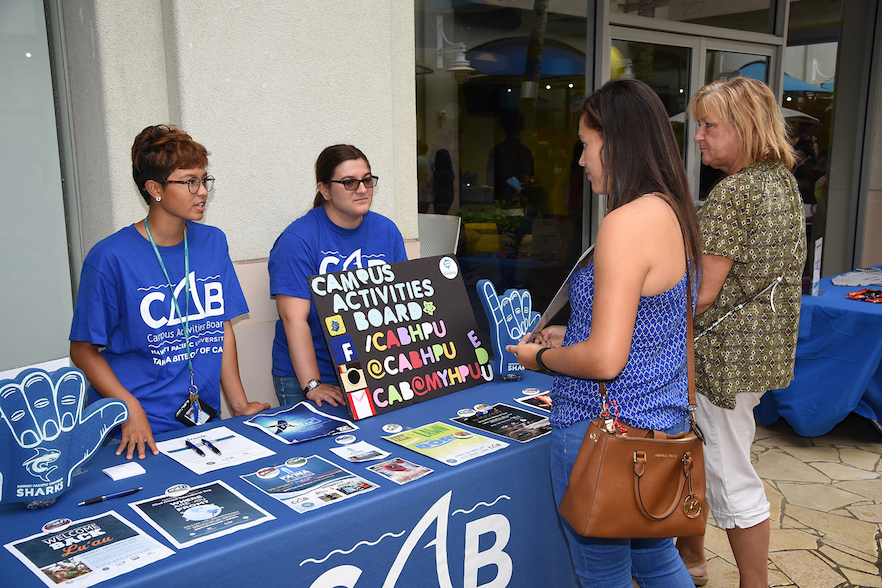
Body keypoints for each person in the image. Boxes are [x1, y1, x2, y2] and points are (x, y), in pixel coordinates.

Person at [506, 78, 702, 588]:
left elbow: (606, 360)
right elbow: (655, 322)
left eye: (585, 145)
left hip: (603, 431)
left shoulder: (624, 223)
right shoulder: (674, 213)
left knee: (603, 575)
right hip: (659, 426)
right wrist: (573, 332)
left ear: (614, 142)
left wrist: (538, 360)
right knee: (658, 561)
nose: (580, 160)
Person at [69, 124, 270, 460]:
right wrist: (127, 408)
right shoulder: (110, 258)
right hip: (137, 431)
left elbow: (220, 326)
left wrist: (239, 402)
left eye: (205, 179)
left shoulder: (212, 241)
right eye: (190, 181)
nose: (203, 191)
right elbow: (83, 350)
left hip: (203, 424)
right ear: (154, 188)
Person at [675, 77, 806, 588]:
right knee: (701, 462)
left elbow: (701, 294)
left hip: (721, 359)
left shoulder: (735, 191)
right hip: (757, 354)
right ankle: (694, 561)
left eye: (709, 126)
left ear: (746, 128)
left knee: (731, 477)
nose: (699, 137)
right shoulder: (782, 183)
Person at [269, 145, 407, 408]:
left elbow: (399, 306)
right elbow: (293, 319)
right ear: (324, 189)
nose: (363, 189)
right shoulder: (297, 240)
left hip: (374, 369)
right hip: (313, 375)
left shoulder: (387, 231)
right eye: (349, 182)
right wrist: (313, 384)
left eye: (367, 180)